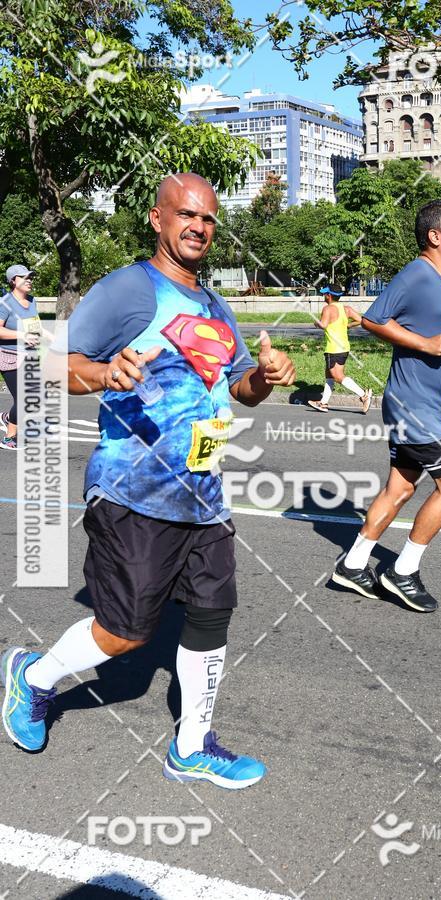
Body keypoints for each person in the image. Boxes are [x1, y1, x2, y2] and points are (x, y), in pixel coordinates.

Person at [1, 173, 295, 789]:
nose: (199, 227)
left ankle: (192, 746)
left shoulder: (216, 306)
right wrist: (107, 372)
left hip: (203, 495)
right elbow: (51, 368)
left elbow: (238, 389)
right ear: (157, 219)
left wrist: (267, 375)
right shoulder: (130, 288)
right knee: (127, 634)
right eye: (186, 214)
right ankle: (31, 676)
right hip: (133, 491)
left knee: (212, 616)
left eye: (210, 219)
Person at [332, 200, 441, 612]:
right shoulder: (416, 274)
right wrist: (425, 344)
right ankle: (401, 571)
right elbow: (373, 320)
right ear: (435, 236)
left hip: (433, 403)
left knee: (401, 486)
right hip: (413, 405)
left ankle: (353, 564)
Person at [308, 283, 372, 414]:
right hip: (343, 346)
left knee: (337, 376)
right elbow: (361, 320)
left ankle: (363, 395)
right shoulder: (346, 309)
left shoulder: (328, 309)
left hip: (334, 348)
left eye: (325, 293)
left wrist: (317, 323)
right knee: (329, 375)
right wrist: (348, 326)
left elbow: (324, 324)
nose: (323, 296)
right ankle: (323, 403)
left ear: (329, 296)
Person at [0, 266, 41, 449]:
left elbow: (34, 325)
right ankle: (8, 438)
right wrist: (21, 335)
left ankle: (9, 418)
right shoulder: (5, 303)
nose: (29, 280)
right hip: (9, 356)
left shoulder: (32, 301)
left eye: (30, 277)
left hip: (29, 355)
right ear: (13, 281)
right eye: (24, 277)